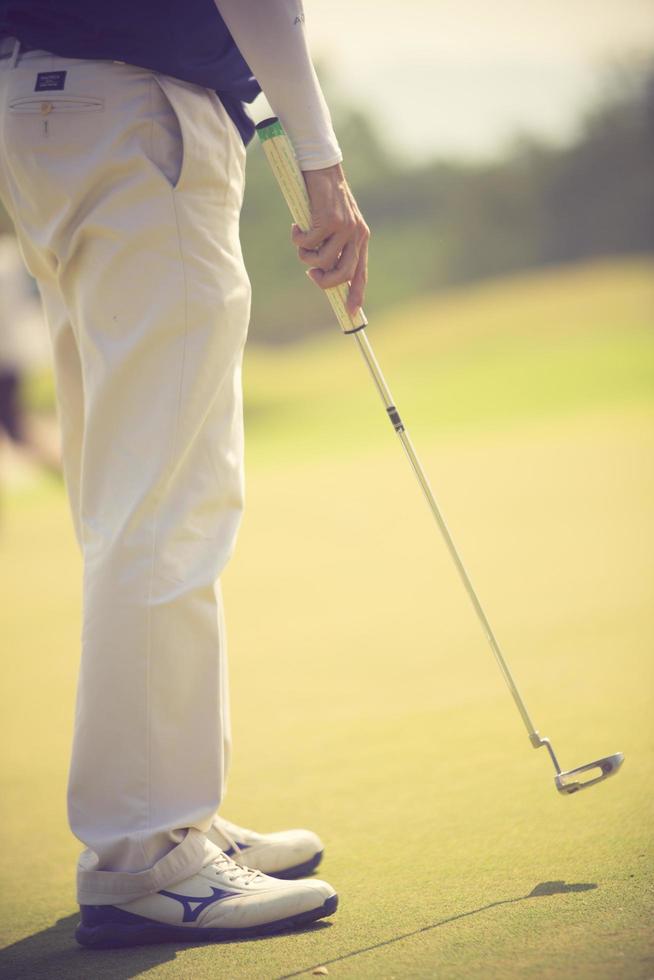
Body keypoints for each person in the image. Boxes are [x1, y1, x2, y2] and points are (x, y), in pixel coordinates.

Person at [0, 0, 369, 949]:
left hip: (46, 108)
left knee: (126, 500)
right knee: (166, 504)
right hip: (137, 111)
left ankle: (171, 816)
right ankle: (144, 856)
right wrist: (323, 164)